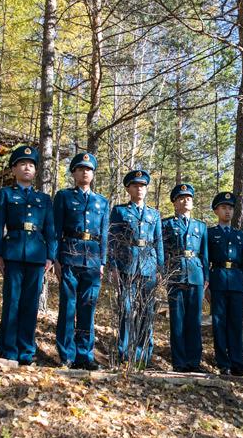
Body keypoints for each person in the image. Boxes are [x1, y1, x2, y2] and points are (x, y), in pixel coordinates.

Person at [0, 146, 56, 365]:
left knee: (30, 304)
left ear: (35, 170)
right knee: (12, 302)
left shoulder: (44, 199)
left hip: (37, 256)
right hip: (13, 253)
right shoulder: (6, 194)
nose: (27, 168)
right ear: (14, 169)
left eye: (31, 164)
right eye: (22, 164)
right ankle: (8, 349)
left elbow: (50, 230)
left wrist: (50, 256)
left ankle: (26, 351)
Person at [53, 152, 109, 370]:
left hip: (93, 260)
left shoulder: (102, 202)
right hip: (69, 256)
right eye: (81, 169)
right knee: (68, 307)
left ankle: (85, 356)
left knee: (88, 308)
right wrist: (56, 259)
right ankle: (66, 354)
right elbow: (56, 229)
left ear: (93, 174)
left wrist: (103, 261)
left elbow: (104, 234)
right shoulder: (64, 197)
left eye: (89, 169)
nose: (85, 172)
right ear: (74, 173)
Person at [108, 170, 164, 367]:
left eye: (143, 185)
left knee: (146, 312)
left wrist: (160, 268)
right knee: (127, 309)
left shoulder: (154, 214)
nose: (139, 188)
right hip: (127, 266)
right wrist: (113, 266)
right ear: (128, 188)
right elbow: (113, 240)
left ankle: (142, 356)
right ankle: (124, 353)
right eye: (135, 185)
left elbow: (158, 243)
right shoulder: (120, 211)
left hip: (148, 267)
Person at [161, 183, 208, 372]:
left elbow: (205, 255)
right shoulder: (167, 224)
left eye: (189, 197)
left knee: (194, 321)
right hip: (176, 273)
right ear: (175, 203)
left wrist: (206, 277)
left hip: (196, 274)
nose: (186, 200)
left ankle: (194, 362)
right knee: (178, 320)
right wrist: (164, 273)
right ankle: (179, 362)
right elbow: (162, 251)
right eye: (181, 198)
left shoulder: (201, 226)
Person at [207, 192, 243, 377]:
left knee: (235, 324)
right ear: (216, 210)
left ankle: (237, 364)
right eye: (224, 208)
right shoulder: (209, 233)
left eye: (230, 208)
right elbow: (205, 259)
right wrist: (206, 286)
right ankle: (223, 363)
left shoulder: (240, 235)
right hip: (217, 280)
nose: (227, 212)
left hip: (236, 282)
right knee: (219, 323)